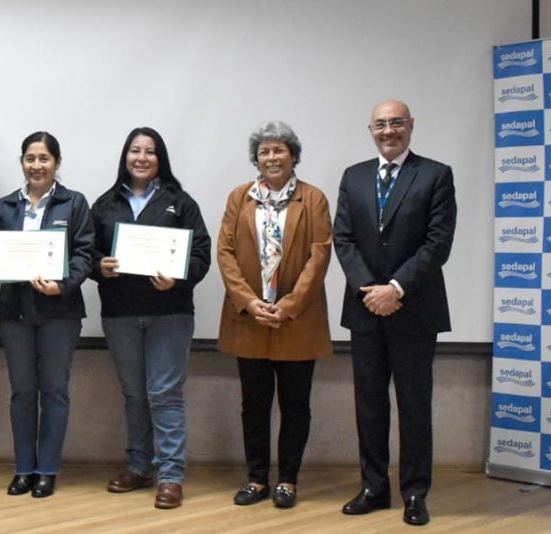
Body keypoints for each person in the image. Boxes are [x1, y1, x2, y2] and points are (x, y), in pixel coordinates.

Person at [334, 100, 456, 527]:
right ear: (370, 130)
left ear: (411, 126)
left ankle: (415, 493)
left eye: (396, 123)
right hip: (365, 309)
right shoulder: (354, 176)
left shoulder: (436, 175)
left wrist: (396, 288)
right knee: (369, 406)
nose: (389, 131)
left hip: (414, 309)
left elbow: (438, 243)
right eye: (381, 124)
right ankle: (373, 488)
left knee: (414, 407)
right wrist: (370, 290)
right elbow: (343, 239)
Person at [90, 127, 211, 510]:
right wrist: (99, 266)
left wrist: (178, 277)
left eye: (150, 151)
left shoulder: (181, 202)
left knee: (164, 394)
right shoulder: (106, 203)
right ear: (125, 156)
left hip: (169, 313)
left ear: (161, 159)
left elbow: (201, 254)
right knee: (134, 395)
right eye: (135, 150)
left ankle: (171, 476)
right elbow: (85, 253)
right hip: (120, 313)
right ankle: (139, 466)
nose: (142, 158)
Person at [0, 132, 93, 498]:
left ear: (56, 162)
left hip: (60, 312)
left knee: (54, 391)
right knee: (22, 392)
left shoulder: (74, 203)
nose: (36, 165)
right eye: (30, 158)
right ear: (22, 162)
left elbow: (84, 254)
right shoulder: (6, 205)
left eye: (44, 158)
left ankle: (47, 470)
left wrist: (63, 285)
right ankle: (23, 468)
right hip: (15, 311)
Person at [216, 121, 333, 509]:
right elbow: (225, 252)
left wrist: (289, 305)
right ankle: (256, 478)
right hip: (249, 319)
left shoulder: (313, 199)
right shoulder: (239, 198)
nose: (271, 157)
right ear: (256, 158)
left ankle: (288, 480)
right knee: (254, 405)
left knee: (295, 406)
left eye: (279, 150)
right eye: (264, 151)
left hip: (296, 321)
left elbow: (320, 256)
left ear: (293, 155)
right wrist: (249, 302)